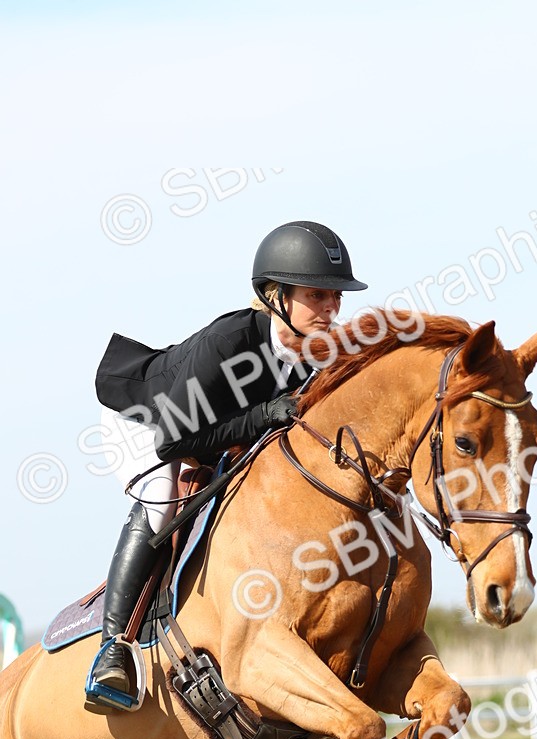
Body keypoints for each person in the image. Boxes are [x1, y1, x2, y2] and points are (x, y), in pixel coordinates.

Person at [89, 220, 367, 704]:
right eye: (318, 294)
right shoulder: (231, 342)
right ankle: (114, 649)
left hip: (210, 432)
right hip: (149, 420)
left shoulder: (318, 353)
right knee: (161, 502)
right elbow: (173, 443)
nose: (331, 307)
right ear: (276, 294)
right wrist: (261, 414)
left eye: (337, 296)